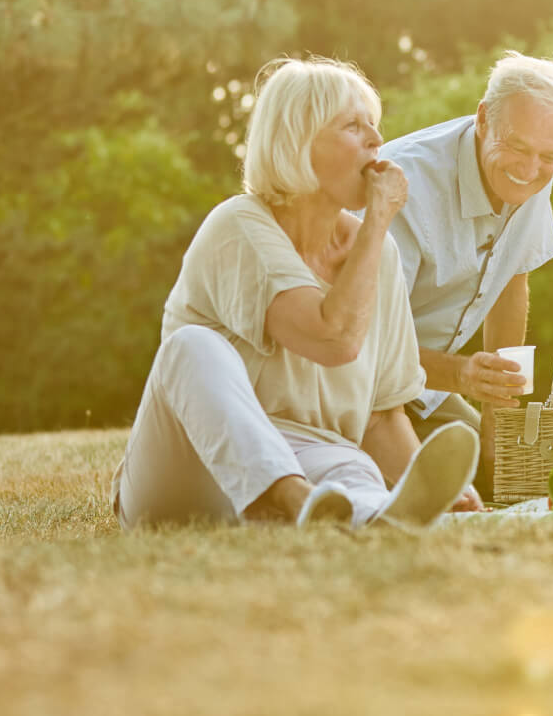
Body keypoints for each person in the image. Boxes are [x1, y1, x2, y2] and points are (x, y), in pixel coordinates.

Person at [112, 56, 482, 531]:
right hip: (190, 466)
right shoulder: (239, 226)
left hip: (317, 458)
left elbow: (381, 418)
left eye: (375, 125)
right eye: (353, 125)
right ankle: (289, 499)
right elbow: (333, 338)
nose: (375, 139)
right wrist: (378, 221)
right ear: (296, 141)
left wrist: (429, 487)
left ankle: (377, 514)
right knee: (192, 347)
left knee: (354, 470)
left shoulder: (378, 254)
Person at [377, 51, 553, 489]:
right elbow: (370, 344)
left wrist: (497, 413)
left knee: (512, 477)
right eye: (516, 146)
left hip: (428, 389)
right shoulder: (406, 186)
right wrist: (460, 375)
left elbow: (512, 283)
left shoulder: (531, 175)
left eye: (550, 156)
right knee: (433, 489)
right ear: (482, 119)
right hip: (360, 390)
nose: (530, 170)